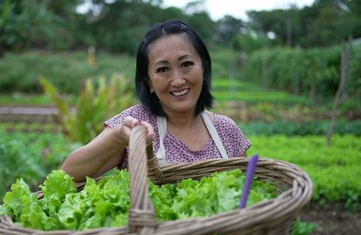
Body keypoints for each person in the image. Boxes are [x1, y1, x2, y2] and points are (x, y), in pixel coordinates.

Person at [61, 19, 251, 182]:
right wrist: (118, 138)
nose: (177, 81)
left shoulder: (227, 130)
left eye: (186, 64)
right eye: (162, 69)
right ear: (148, 81)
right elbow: (67, 175)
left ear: (203, 68)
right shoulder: (135, 122)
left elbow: (247, 189)